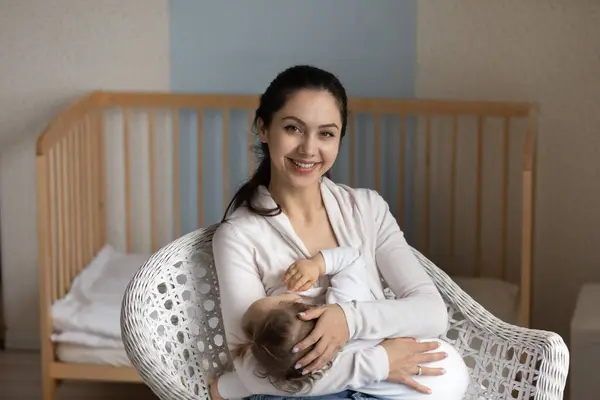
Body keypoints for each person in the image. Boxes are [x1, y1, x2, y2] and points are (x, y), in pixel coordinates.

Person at [211, 64, 471, 400]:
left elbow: (432, 313)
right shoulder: (238, 236)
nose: (308, 149)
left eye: (326, 134)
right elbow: (253, 374)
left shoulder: (367, 210)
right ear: (263, 128)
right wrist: (377, 363)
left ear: (339, 139)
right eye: (293, 128)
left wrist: (348, 319)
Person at [221, 246, 469, 400]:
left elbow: (267, 385)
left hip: (431, 380)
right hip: (446, 363)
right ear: (304, 306)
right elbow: (353, 259)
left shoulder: (318, 369)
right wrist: (318, 264)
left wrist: (221, 388)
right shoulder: (345, 300)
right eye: (274, 298)